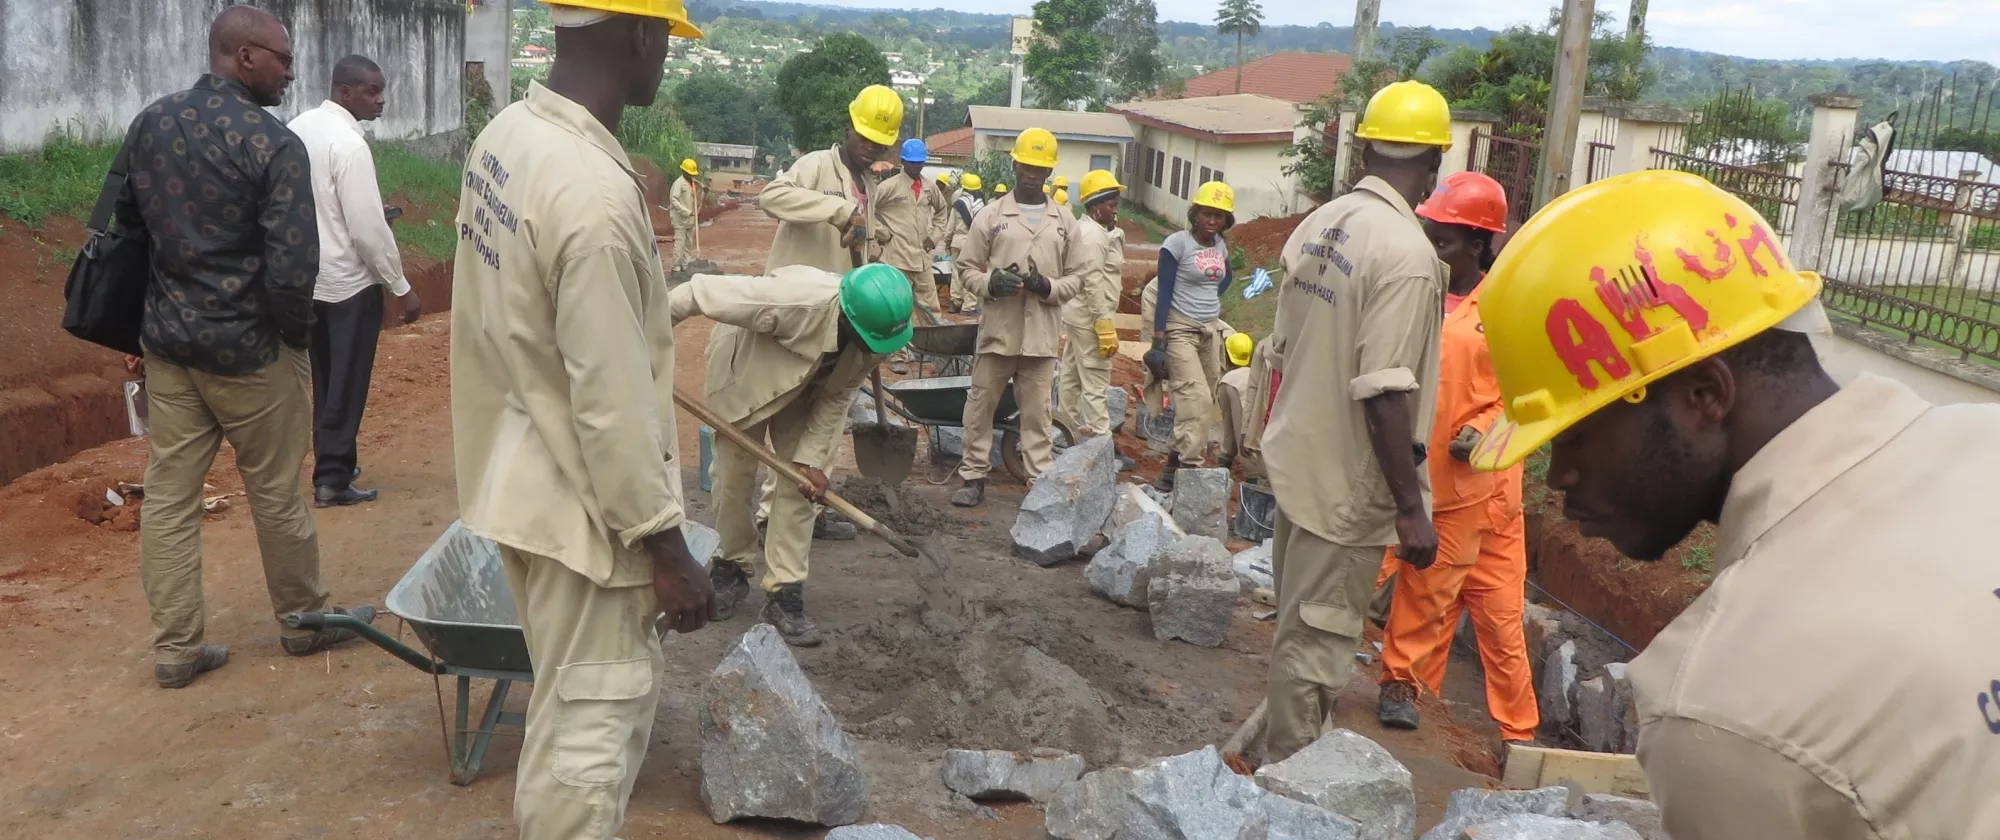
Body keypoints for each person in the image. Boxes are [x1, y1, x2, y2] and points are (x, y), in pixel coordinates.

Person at [1471, 168, 2000, 838]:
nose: (1558, 476)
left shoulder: (1724, 710)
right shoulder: (1987, 439)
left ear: (1704, 394)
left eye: (1575, 436)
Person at [447, 4, 714, 837]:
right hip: (592, 522)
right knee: (587, 748)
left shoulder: (508, 139)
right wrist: (666, 549)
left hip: (523, 479)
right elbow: (610, 401)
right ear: (637, 33)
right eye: (665, 35)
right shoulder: (594, 196)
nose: (666, 53)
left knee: (562, 716)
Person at [120, 5, 378, 690]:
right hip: (250, 350)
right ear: (243, 57)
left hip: (172, 346)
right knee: (275, 492)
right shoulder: (271, 144)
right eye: (283, 58)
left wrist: (141, 332)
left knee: (170, 497)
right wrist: (292, 343)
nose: (292, 73)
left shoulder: (151, 123)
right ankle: (304, 620)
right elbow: (294, 267)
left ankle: (178, 647)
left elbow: (124, 232)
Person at [1260, 80, 1453, 763]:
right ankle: (1285, 787)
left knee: (1297, 633)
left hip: (1299, 460)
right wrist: (1410, 507)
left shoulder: (1325, 221)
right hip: (1345, 488)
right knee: (1315, 650)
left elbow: (1279, 347)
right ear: (1433, 162)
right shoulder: (1406, 256)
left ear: (1365, 144)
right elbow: (1384, 391)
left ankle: (1264, 759)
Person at [1367, 172, 1537, 746]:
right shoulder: (1410, 290)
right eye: (1428, 234)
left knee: (1463, 609)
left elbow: (1525, 398)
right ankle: (1401, 687)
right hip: (1402, 467)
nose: (1432, 248)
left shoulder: (1508, 310)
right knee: (1400, 583)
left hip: (1469, 482)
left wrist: (1485, 430)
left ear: (1477, 245)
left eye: (1443, 240)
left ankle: (1509, 735)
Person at [671, 264, 915, 646]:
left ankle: (784, 590)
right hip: (747, 375)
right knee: (732, 478)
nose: (870, 351)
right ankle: (732, 565)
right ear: (846, 318)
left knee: (801, 489)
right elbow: (695, 292)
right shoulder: (791, 302)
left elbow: (839, 394)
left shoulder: (880, 334)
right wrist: (640, 341)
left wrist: (812, 459)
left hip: (813, 390)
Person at [754, 83, 902, 540]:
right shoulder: (816, 165)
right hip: (796, 314)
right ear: (849, 125)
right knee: (788, 416)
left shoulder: (870, 184)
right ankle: (767, 516)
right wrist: (834, 209)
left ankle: (804, 511)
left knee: (825, 416)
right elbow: (771, 198)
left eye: (879, 142)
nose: (870, 148)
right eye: (864, 137)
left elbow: (857, 244)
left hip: (840, 322)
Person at [288, 54, 424, 509]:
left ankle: (336, 459)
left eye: (381, 90)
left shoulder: (299, 127)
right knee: (347, 382)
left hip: (306, 277)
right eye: (371, 90)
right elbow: (366, 229)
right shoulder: (349, 145)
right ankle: (332, 479)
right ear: (344, 92)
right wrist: (401, 287)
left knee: (324, 378)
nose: (381, 99)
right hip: (348, 283)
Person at [950, 129, 1087, 507]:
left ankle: (1038, 483)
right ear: (1015, 164)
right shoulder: (991, 217)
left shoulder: (1064, 221)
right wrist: (991, 283)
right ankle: (974, 475)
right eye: (1026, 166)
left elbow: (1077, 276)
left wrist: (1047, 286)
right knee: (980, 407)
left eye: (1040, 168)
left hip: (1041, 337)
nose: (1032, 174)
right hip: (999, 331)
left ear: (1049, 173)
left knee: (1038, 416)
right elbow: (966, 268)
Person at [1144, 181, 1237, 489]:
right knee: (1193, 397)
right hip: (1180, 328)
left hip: (1209, 330)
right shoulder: (1176, 244)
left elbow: (1225, 277)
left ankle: (1173, 464)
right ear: (1195, 214)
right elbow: (1165, 290)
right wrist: (1159, 340)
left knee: (1205, 400)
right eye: (1207, 214)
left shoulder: (1219, 246)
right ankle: (1189, 471)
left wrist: (1210, 294)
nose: (1212, 221)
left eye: (1219, 216)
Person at [1055, 170, 1127, 441]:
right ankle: (1099, 442)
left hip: (1077, 315)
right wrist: (1103, 323)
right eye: (1111, 206)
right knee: (1096, 379)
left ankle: (1066, 431)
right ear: (1096, 207)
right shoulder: (1095, 237)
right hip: (1091, 316)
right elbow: (1093, 281)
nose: (1115, 211)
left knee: (1071, 376)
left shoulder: (1089, 230)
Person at [874, 138, 945, 315]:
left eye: (919, 163)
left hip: (922, 259)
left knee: (930, 307)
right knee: (895, 305)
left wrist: (935, 237)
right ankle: (897, 341)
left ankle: (928, 339)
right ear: (903, 161)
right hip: (896, 259)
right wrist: (882, 233)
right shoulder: (889, 187)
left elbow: (942, 210)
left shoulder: (930, 187)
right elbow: (866, 209)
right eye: (911, 163)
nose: (916, 167)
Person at [946, 172, 986, 314]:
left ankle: (955, 302)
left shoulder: (958, 204)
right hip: (972, 243)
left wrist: (947, 242)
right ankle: (969, 306)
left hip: (957, 242)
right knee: (971, 273)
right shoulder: (982, 206)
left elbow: (950, 227)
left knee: (956, 273)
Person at [1215, 332, 1256, 471]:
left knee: (1229, 429)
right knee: (1243, 434)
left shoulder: (1226, 377)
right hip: (1239, 388)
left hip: (1225, 384)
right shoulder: (1252, 375)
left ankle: (1223, 466)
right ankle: (1252, 478)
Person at [669, 157, 700, 269]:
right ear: (684, 172)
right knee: (680, 243)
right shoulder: (679, 183)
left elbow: (695, 198)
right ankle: (676, 266)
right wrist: (686, 212)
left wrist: (703, 190)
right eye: (689, 173)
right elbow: (674, 200)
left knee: (688, 243)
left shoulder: (692, 183)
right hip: (680, 219)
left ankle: (685, 264)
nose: (691, 175)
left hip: (690, 220)